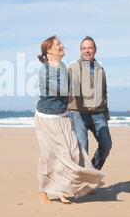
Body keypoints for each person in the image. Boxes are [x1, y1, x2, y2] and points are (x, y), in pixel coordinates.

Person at [35, 35, 105, 204]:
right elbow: (59, 90)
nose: (62, 46)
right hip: (48, 117)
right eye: (58, 44)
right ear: (49, 50)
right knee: (51, 155)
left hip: (63, 115)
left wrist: (70, 95)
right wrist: (70, 92)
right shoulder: (44, 70)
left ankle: (62, 190)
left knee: (73, 152)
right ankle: (43, 190)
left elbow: (66, 92)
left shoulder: (63, 66)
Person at [68, 36, 112, 170]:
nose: (87, 51)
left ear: (95, 50)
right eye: (84, 48)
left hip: (98, 114)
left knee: (106, 145)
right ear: (80, 50)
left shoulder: (100, 69)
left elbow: (104, 93)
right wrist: (68, 94)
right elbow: (71, 85)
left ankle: (92, 173)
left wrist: (105, 115)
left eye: (90, 48)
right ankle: (82, 182)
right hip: (78, 113)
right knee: (83, 151)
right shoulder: (74, 67)